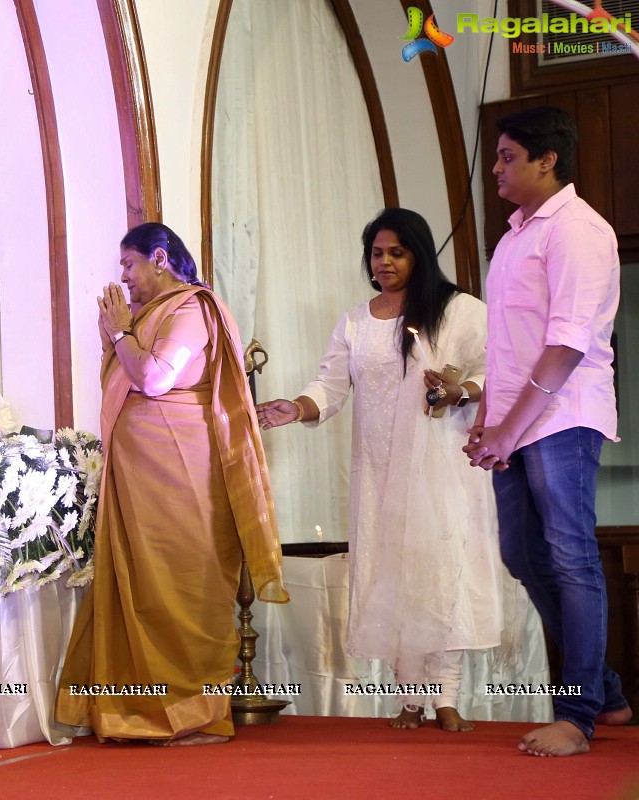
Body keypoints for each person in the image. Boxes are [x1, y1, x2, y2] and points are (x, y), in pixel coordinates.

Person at [256, 208, 505, 732]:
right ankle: (410, 697)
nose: (385, 262)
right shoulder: (356, 321)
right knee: (394, 574)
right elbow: (330, 384)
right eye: (377, 253)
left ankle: (447, 698)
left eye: (397, 252)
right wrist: (296, 406)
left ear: (418, 254)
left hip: (441, 468)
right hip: (377, 470)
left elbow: (492, 371)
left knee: (442, 573)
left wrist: (459, 391)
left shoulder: (459, 311)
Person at [55, 222, 287, 746]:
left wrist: (120, 335)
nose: (125, 278)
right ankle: (128, 710)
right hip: (140, 483)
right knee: (135, 586)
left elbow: (156, 377)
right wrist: (115, 338)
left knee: (180, 586)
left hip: (180, 481)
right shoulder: (144, 317)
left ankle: (191, 713)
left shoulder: (191, 310)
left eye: (129, 265)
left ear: (159, 258)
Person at [464, 105, 630, 756]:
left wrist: (510, 427)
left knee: (570, 557)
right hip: (519, 419)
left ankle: (580, 713)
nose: (498, 169)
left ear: (546, 160)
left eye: (508, 157)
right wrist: (488, 422)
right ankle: (609, 691)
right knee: (521, 556)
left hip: (564, 415)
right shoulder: (513, 236)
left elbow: (565, 348)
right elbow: (507, 346)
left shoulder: (579, 231)